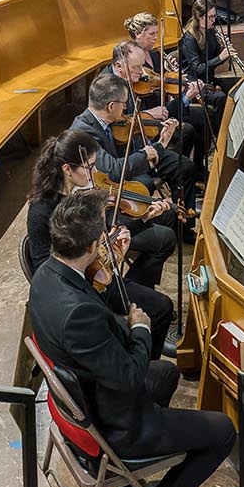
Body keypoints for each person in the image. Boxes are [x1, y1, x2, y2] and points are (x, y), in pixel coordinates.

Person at [28, 191, 234, 487]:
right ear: (91, 245)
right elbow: (130, 376)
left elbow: (95, 323)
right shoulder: (79, 315)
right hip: (112, 425)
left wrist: (111, 271)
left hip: (89, 397)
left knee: (166, 374)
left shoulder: (46, 273)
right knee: (223, 431)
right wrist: (140, 328)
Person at [25, 132, 176, 358]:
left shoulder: (84, 194)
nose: (96, 172)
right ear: (67, 170)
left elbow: (101, 235)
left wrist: (140, 221)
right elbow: (42, 268)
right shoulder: (41, 211)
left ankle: (146, 361)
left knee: (163, 306)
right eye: (90, 167)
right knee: (147, 316)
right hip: (83, 288)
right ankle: (142, 365)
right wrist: (100, 258)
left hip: (101, 274)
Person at [105, 39, 204, 190]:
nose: (141, 72)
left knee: (185, 165)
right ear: (119, 66)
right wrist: (147, 113)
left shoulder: (135, 79)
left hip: (145, 142)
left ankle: (182, 202)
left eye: (142, 65)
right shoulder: (106, 87)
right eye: (136, 67)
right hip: (127, 154)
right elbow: (116, 125)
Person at [71, 72, 188, 198]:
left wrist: (161, 143)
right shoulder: (84, 132)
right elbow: (113, 171)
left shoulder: (106, 119)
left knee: (184, 165)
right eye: (123, 103)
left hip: (125, 167)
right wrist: (146, 153)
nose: (125, 107)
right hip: (105, 187)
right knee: (146, 186)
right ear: (111, 106)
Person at [178, 0, 242, 95]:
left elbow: (215, 59)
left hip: (210, 80)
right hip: (195, 85)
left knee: (243, 83)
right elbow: (198, 69)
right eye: (210, 17)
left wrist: (225, 51)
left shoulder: (210, 31)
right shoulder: (188, 39)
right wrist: (220, 58)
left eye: (214, 16)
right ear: (199, 17)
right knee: (220, 97)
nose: (214, 20)